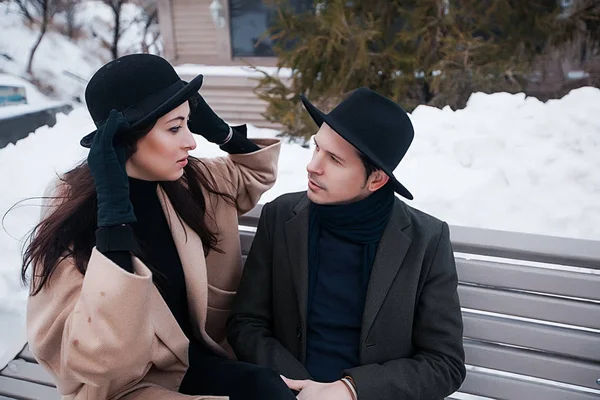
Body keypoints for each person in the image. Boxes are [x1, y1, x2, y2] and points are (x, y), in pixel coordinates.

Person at [22, 54, 296, 400]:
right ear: (126, 138)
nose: (192, 141)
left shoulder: (187, 180)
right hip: (125, 387)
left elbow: (256, 173)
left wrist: (221, 131)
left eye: (189, 122)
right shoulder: (71, 207)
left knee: (271, 390)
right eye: (174, 128)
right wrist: (113, 217)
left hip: (193, 364)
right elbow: (100, 360)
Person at [227, 87, 466, 400]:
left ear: (376, 180)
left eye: (335, 160)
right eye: (317, 149)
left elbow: (445, 363)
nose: (313, 166)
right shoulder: (282, 216)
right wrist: (300, 388)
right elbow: (246, 322)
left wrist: (350, 390)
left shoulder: (426, 240)